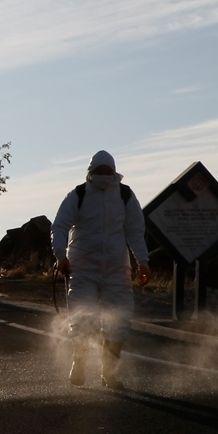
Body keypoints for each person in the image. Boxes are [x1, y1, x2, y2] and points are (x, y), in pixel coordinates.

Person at [52, 150, 151, 389]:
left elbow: (136, 231)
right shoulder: (79, 194)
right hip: (83, 268)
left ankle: (110, 373)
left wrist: (143, 261)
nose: (104, 175)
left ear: (115, 171)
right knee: (83, 318)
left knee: (119, 322)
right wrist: (60, 255)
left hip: (117, 269)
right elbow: (60, 225)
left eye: (108, 171)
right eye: (99, 171)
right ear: (90, 173)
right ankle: (80, 361)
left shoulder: (125, 195)